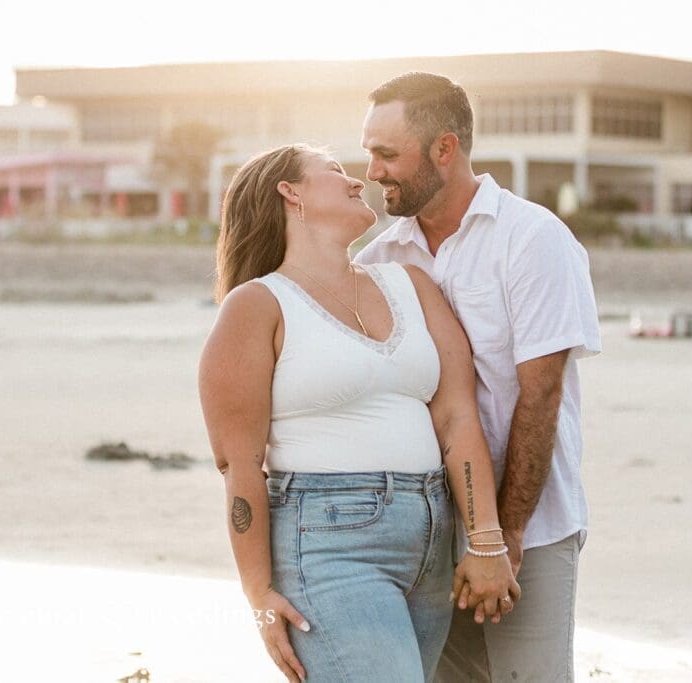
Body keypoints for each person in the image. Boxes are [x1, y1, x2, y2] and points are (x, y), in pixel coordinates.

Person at [198, 144, 519, 682]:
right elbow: (240, 465)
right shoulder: (257, 305)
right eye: (335, 171)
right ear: (290, 192)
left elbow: (458, 419)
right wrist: (259, 596)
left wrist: (484, 537)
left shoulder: (411, 285)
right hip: (328, 543)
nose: (356, 181)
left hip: (432, 540)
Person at [356, 73, 602, 682]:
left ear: (445, 149)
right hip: (424, 533)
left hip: (533, 526)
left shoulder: (533, 238)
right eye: (368, 153)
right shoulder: (378, 261)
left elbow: (539, 395)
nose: (372, 171)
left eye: (387, 154)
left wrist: (505, 533)